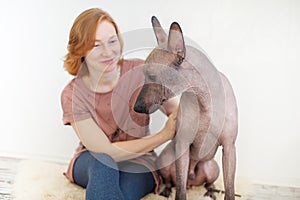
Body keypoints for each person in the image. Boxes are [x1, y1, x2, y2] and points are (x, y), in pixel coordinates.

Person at [60, 8, 178, 200]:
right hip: (92, 159)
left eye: (112, 41)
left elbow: (177, 110)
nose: (108, 52)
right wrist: (163, 136)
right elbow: (104, 151)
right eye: (96, 45)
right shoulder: (72, 95)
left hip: (140, 161)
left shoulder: (141, 71)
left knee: (121, 191)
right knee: (103, 162)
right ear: (80, 50)